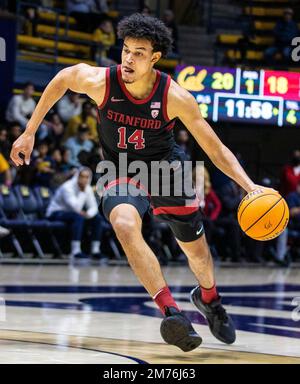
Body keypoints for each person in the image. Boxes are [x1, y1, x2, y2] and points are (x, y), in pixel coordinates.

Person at [10, 13, 274, 352]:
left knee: (198, 254)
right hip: (118, 169)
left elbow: (216, 149)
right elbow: (63, 78)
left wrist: (250, 186)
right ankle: (171, 311)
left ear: (154, 58)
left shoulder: (174, 96)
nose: (128, 59)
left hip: (164, 170)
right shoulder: (102, 81)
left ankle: (209, 299)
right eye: (125, 50)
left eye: (138, 52)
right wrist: (29, 132)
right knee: (123, 223)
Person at [46, 167, 104, 258]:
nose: (84, 179)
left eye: (86, 177)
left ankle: (95, 250)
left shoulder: (87, 188)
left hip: (74, 214)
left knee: (97, 218)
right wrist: (82, 191)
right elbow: (76, 207)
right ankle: (75, 251)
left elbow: (93, 207)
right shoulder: (67, 187)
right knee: (78, 217)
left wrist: (88, 214)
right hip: (56, 212)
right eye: (82, 176)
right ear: (77, 176)